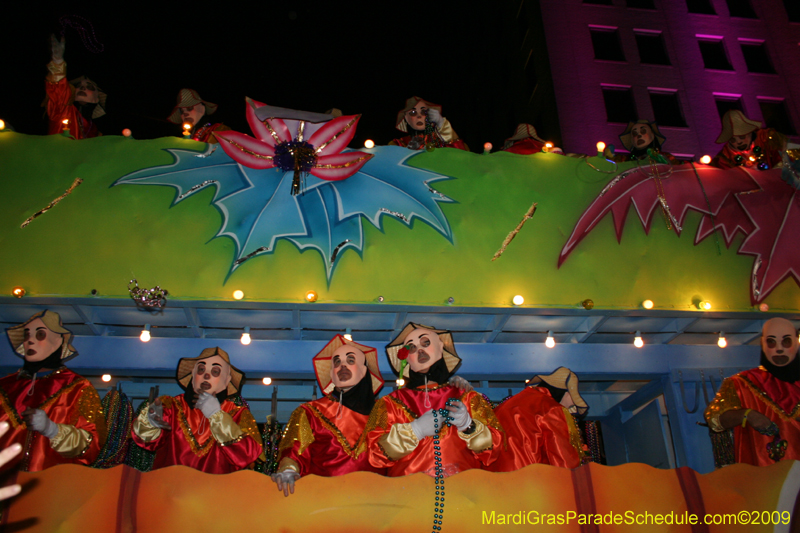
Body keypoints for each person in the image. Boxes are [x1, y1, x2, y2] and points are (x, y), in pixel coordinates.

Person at [366, 323, 503, 477]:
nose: (419, 350)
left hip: (462, 494)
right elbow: (375, 455)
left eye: (426, 342)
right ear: (406, 359)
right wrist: (414, 430)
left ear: (440, 347)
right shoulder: (389, 403)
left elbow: (494, 451)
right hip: (407, 494)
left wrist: (468, 426)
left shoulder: (468, 397)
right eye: (411, 347)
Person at [272, 335, 386, 496]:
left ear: (364, 371)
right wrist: (288, 470)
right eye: (337, 362)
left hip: (375, 503)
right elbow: (294, 452)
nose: (342, 366)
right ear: (332, 374)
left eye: (351, 360)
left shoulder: (384, 413)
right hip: (323, 502)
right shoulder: (310, 412)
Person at [0, 311, 106, 472]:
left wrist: (52, 430)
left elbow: (91, 448)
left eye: (40, 335)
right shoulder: (4, 386)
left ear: (57, 342)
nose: (30, 341)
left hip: (50, 487)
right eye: (27, 335)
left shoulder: (78, 387)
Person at [131, 347, 264, 473]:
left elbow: (249, 455)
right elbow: (145, 439)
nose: (206, 375)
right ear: (193, 375)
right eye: (201, 369)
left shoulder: (238, 414)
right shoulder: (171, 405)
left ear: (226, 381)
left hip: (216, 493)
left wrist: (217, 415)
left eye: (215, 372)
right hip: (170, 492)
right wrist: (149, 422)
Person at [705, 317, 800, 465]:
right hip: (763, 476)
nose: (779, 348)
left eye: (786, 341)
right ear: (763, 344)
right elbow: (714, 419)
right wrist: (746, 415)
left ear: (796, 342)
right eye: (771, 342)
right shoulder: (740, 383)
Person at [486, 367, 585, 472]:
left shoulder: (504, 406)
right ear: (566, 393)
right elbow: (563, 460)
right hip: (531, 479)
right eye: (572, 397)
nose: (572, 404)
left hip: (495, 480)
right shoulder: (551, 408)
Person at [44, 35, 106, 139]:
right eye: (78, 86)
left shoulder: (95, 131)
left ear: (96, 99)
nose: (82, 88)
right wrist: (57, 62)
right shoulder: (64, 112)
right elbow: (58, 96)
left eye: (89, 87)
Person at [711, 110, 787, 170]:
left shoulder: (767, 138)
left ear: (750, 133)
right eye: (733, 140)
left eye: (742, 137)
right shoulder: (725, 157)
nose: (739, 142)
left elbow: (789, 157)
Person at [390, 97, 469, 151]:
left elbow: (461, 155)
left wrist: (442, 124)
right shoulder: (397, 144)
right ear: (406, 118)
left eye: (424, 112)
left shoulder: (441, 142)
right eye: (413, 112)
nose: (419, 116)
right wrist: (407, 152)